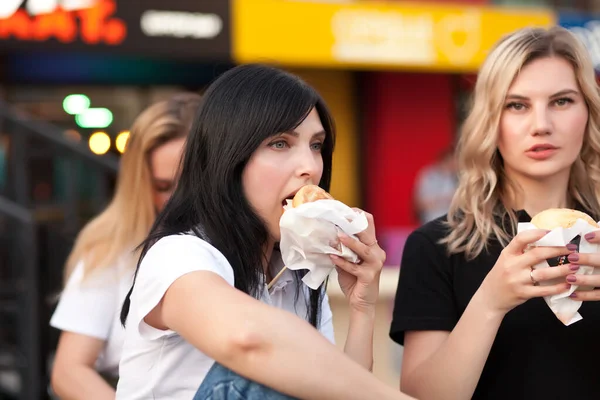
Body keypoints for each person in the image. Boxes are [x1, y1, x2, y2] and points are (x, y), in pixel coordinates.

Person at [116, 64, 412, 400]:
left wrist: (362, 305)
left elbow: (340, 391)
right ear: (229, 157)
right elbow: (248, 341)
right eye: (280, 143)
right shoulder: (178, 255)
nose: (310, 167)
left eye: (316, 145)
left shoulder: (298, 276)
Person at [390, 26, 600, 400]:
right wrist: (491, 301)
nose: (541, 125)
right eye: (516, 105)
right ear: (491, 119)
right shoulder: (437, 246)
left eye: (562, 101)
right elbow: (425, 397)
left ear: (589, 110)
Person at [49, 93, 202, 399]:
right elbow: (69, 371)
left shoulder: (261, 244)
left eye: (193, 183)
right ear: (139, 182)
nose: (179, 201)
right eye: (163, 186)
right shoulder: (112, 246)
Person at [413, 146, 458, 224]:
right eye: (455, 161)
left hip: (452, 224)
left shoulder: (458, 177)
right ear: (447, 160)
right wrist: (443, 199)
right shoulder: (428, 176)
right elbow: (420, 204)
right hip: (430, 221)